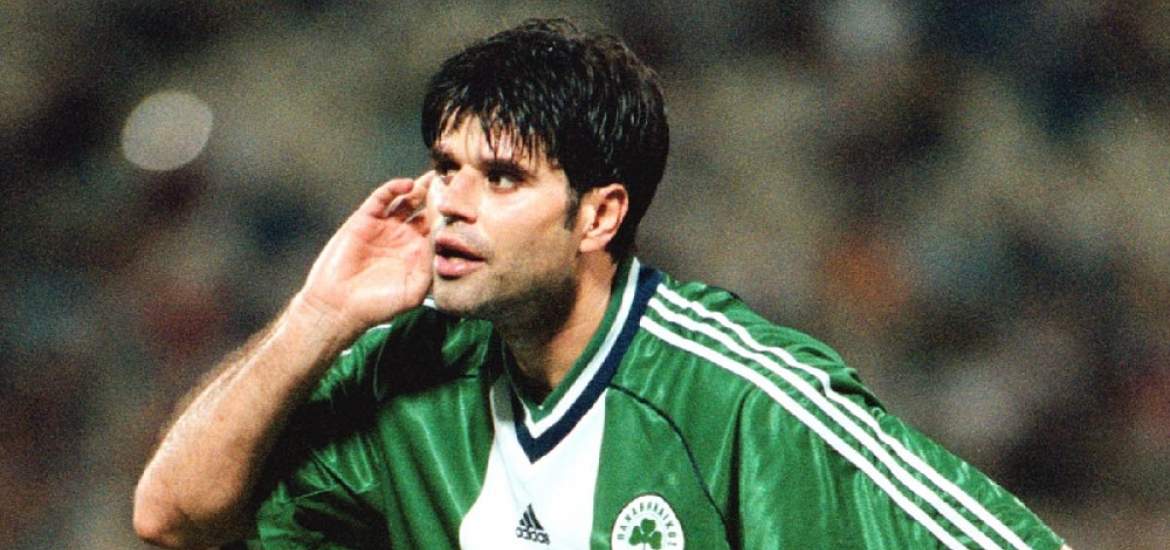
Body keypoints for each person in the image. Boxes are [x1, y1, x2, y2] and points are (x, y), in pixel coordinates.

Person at [134, 18, 1068, 549]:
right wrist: (318, 314)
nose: (451, 202)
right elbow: (172, 517)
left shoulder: (740, 401)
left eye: (502, 178)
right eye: (445, 166)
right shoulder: (407, 381)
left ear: (598, 216)